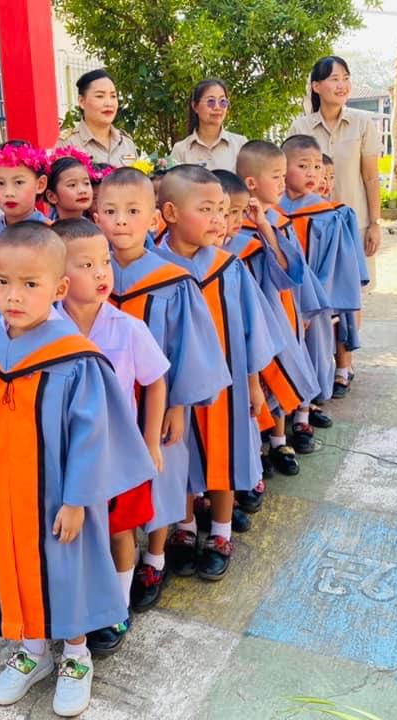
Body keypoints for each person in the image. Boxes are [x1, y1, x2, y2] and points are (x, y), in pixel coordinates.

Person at [0, 222, 155, 717]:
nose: (14, 296)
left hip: (58, 496)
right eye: (2, 282)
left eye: (30, 284)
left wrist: (78, 501)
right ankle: (32, 650)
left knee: (66, 569)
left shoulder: (74, 358)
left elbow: (93, 437)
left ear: (59, 288)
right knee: (13, 567)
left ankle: (76, 655)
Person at [99, 167, 229, 606]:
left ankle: (154, 558)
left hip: (160, 402)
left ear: (154, 218)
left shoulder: (173, 280)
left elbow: (190, 349)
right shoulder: (88, 275)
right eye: (111, 211)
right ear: (96, 216)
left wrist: (177, 407)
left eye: (133, 211)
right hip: (106, 406)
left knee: (161, 477)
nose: (121, 220)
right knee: (111, 483)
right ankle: (119, 558)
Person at [156, 165, 286, 582]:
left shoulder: (228, 267)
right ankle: (185, 526)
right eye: (206, 209)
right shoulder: (150, 268)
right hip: (172, 390)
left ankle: (221, 533)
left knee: (224, 454)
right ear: (171, 213)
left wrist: (253, 385)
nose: (218, 219)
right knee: (180, 455)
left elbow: (250, 330)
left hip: (227, 387)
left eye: (222, 209)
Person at [52, 217, 169, 655]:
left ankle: (117, 606)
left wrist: (151, 441)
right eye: (86, 265)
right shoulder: (46, 330)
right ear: (59, 279)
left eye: (104, 262)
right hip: (67, 455)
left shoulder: (128, 327)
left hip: (119, 452)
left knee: (121, 531)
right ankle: (81, 606)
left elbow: (156, 381)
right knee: (79, 535)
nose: (102, 272)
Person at [215, 169, 321, 475]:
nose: (235, 220)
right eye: (228, 212)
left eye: (239, 212)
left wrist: (263, 224)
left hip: (263, 331)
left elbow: (287, 274)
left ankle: (277, 442)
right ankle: (252, 455)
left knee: (269, 385)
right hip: (224, 343)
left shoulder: (253, 242)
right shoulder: (195, 254)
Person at [236, 142, 331, 454]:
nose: (282, 182)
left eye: (282, 175)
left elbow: (293, 271)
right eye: (275, 176)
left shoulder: (278, 221)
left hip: (285, 311)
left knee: (287, 369)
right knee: (261, 377)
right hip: (256, 319)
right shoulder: (235, 231)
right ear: (251, 182)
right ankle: (260, 448)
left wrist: (303, 311)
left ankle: (280, 440)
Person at [279, 135, 369, 401]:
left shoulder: (329, 216)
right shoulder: (270, 213)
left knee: (315, 350)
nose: (312, 173)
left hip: (316, 302)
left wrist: (310, 305)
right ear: (282, 169)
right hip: (281, 299)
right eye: (303, 166)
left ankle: (311, 405)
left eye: (317, 166)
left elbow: (332, 268)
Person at [285, 56, 382, 297]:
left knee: (354, 295)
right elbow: (288, 181)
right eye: (335, 79)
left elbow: (371, 177)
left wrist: (375, 223)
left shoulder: (362, 123)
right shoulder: (300, 127)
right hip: (310, 227)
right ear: (316, 86)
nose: (342, 85)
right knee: (313, 294)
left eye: (346, 78)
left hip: (354, 225)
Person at [0, 141, 51, 250]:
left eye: (19, 182)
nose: (9, 193)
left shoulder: (54, 234)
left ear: (40, 184)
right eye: (0, 183)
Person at [58, 69, 139, 166]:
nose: (109, 103)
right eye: (100, 96)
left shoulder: (126, 143)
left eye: (113, 96)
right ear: (82, 101)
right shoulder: (66, 143)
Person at [170, 79, 247, 171]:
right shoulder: (180, 150)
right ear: (195, 106)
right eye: (211, 101)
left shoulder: (240, 144)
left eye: (222, 101)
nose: (217, 107)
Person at [45, 148, 95, 221]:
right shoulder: (46, 227)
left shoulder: (95, 226)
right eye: (72, 185)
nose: (82, 190)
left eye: (86, 183)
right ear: (52, 196)